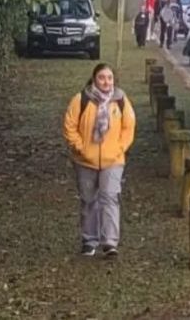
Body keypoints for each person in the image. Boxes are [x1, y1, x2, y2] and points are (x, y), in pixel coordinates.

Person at [63, 64, 136, 257]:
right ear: (94, 78)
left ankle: (110, 242)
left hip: (113, 161)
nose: (106, 82)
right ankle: (89, 240)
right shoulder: (81, 100)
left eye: (109, 78)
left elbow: (129, 127)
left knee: (110, 197)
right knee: (89, 200)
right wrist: (81, 148)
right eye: (102, 77)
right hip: (85, 161)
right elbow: (70, 126)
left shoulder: (120, 100)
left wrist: (119, 148)